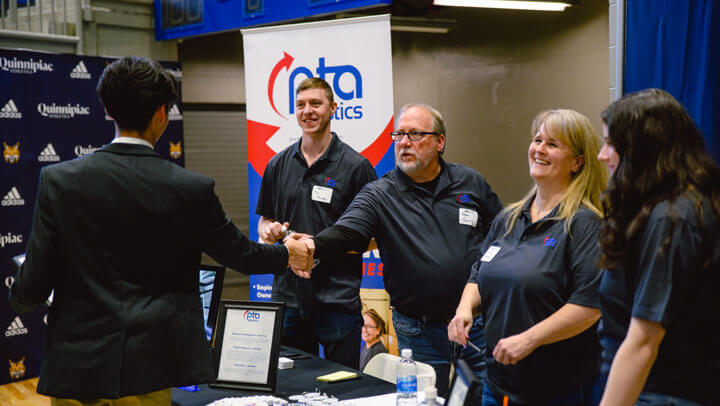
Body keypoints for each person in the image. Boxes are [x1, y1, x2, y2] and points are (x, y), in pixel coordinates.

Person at [7, 56, 314, 405]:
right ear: (161, 114)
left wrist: (21, 298)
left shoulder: (59, 181)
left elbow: (33, 282)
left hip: (78, 367)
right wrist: (287, 252)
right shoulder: (190, 188)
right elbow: (240, 254)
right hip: (152, 367)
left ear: (108, 110)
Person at [312, 103, 504, 396]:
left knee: (486, 396)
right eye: (399, 135)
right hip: (420, 329)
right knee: (425, 401)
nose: (403, 143)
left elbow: (501, 234)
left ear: (440, 142)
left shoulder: (470, 182)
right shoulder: (380, 193)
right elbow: (348, 231)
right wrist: (313, 245)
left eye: (415, 135)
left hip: (476, 322)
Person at [448, 109, 608, 406]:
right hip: (496, 384)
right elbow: (478, 273)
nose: (540, 149)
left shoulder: (585, 224)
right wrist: (464, 307)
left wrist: (529, 339)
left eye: (553, 144)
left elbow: (589, 306)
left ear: (578, 161)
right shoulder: (508, 218)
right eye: (537, 140)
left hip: (556, 390)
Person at [597, 89, 720, 406]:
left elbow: (644, 340)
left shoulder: (673, 219)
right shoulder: (669, 210)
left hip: (661, 394)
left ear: (643, 149)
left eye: (611, 144)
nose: (602, 154)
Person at [256, 77, 377, 369]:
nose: (307, 111)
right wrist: (271, 231)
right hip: (287, 299)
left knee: (344, 386)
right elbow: (264, 220)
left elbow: (374, 236)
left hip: (337, 302)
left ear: (333, 108)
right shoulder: (278, 164)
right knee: (290, 384)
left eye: (315, 104)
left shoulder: (356, 167)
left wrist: (318, 248)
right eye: (300, 105)